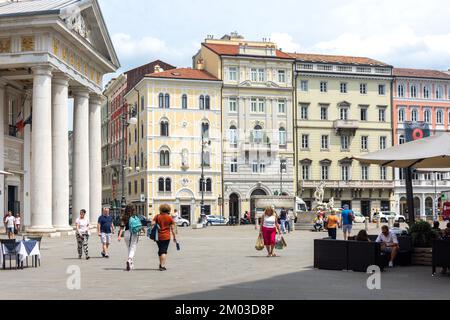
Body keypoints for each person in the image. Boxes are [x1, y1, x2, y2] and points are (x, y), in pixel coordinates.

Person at [152, 204, 177, 271]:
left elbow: (152, 223)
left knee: (160, 250)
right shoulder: (169, 218)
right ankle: (162, 266)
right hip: (166, 237)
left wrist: (157, 224)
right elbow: (173, 229)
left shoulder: (157, 216)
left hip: (158, 236)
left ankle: (160, 264)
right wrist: (174, 237)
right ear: (168, 210)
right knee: (164, 251)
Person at [118, 205, 139, 271]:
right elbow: (138, 224)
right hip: (133, 233)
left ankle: (131, 264)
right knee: (133, 248)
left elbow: (122, 227)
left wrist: (119, 236)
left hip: (126, 233)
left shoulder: (124, 217)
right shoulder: (135, 216)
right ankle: (129, 260)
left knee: (129, 248)